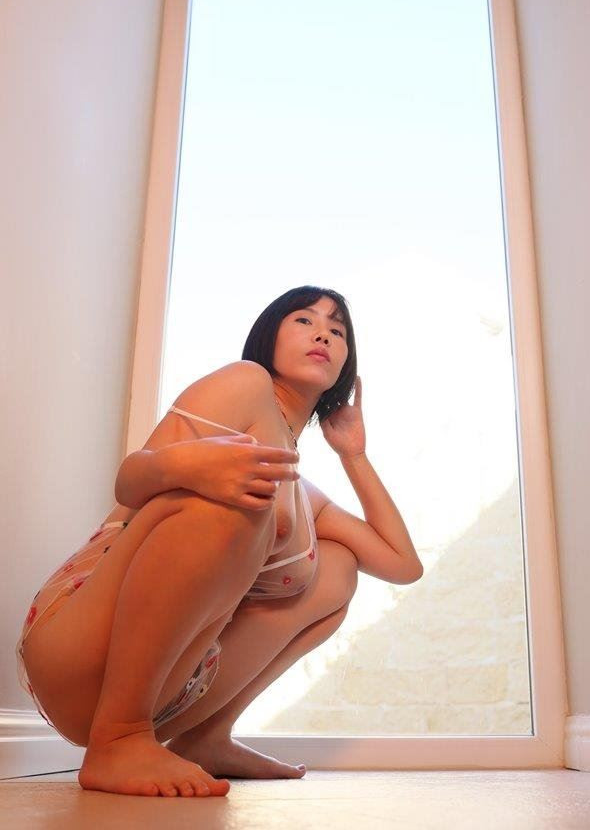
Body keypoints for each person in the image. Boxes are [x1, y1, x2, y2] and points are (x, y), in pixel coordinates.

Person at [16, 286, 423, 799]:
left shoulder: (305, 495)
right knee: (239, 494)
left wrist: (353, 454)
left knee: (338, 568)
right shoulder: (244, 384)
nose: (322, 333)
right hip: (77, 644)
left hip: (170, 692)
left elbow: (402, 565)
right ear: (269, 336)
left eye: (337, 330)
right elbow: (130, 480)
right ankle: (118, 738)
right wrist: (192, 468)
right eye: (304, 320)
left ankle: (205, 738)